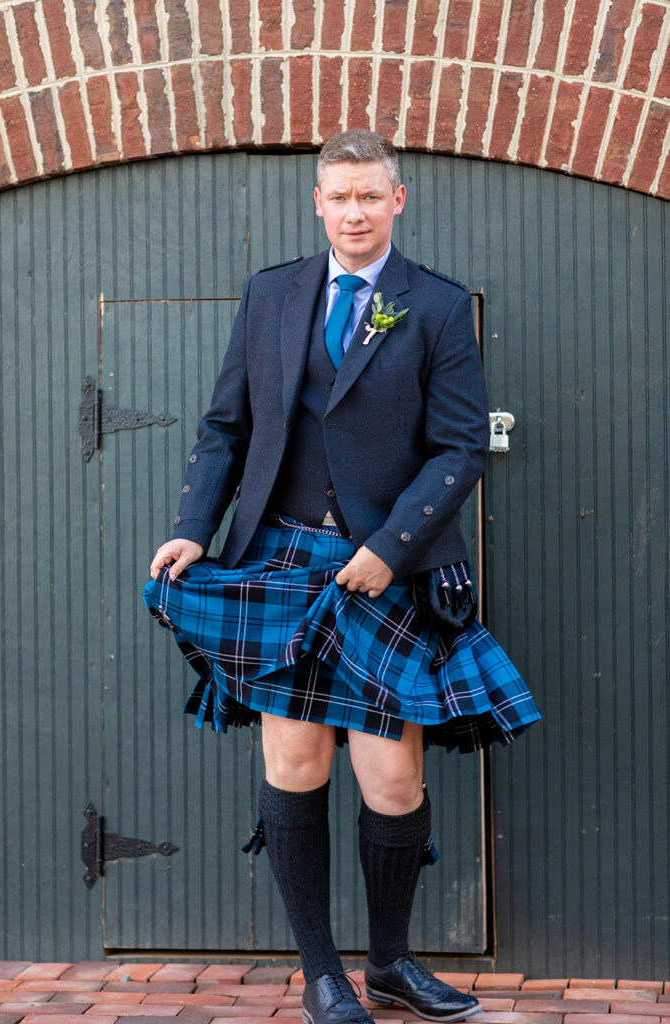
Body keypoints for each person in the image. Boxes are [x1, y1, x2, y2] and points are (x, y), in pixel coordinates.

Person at [146, 130, 541, 1024]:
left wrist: (390, 547)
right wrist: (192, 531)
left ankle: (390, 963)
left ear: (396, 200)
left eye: (369, 196)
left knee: (392, 781)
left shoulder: (433, 305)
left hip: (382, 569)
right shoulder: (271, 293)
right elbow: (225, 428)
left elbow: (459, 447)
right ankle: (322, 974)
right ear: (318, 203)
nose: (353, 212)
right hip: (281, 557)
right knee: (294, 765)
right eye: (339, 197)